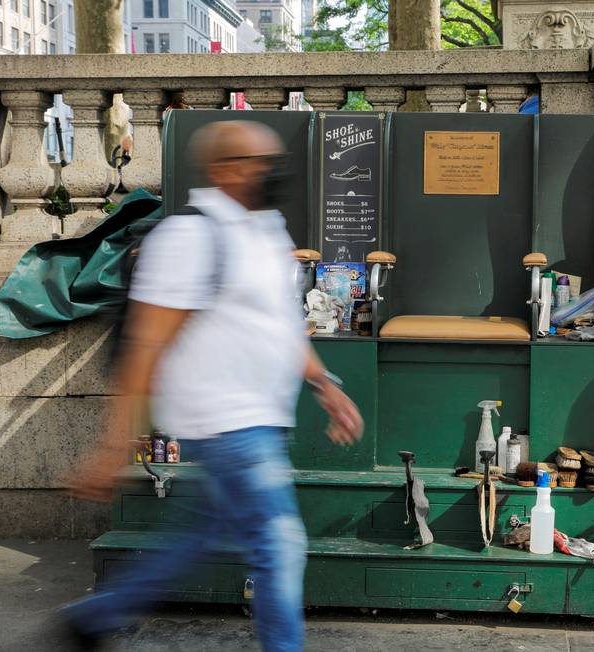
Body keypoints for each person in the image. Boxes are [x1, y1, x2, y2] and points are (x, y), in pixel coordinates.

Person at [58, 120, 364, 651]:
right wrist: (113, 445)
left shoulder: (267, 228)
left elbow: (279, 321)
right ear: (224, 169)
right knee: (280, 543)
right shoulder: (188, 237)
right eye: (261, 162)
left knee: (195, 534)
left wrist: (323, 384)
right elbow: (145, 346)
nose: (273, 172)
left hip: (263, 417)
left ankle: (95, 616)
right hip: (224, 420)